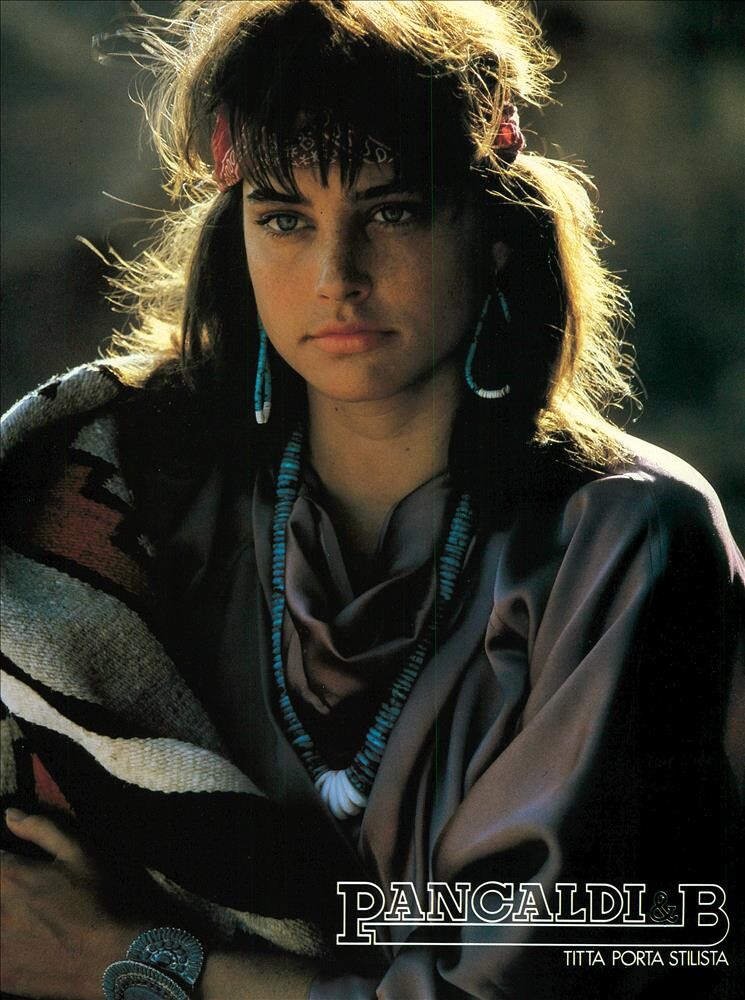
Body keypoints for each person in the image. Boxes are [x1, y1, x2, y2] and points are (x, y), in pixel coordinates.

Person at [1, 2, 742, 998]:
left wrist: (134, 961)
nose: (335, 276)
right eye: (285, 219)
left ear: (492, 230)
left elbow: (539, 973)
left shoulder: (622, 538)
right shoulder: (142, 506)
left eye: (392, 211)